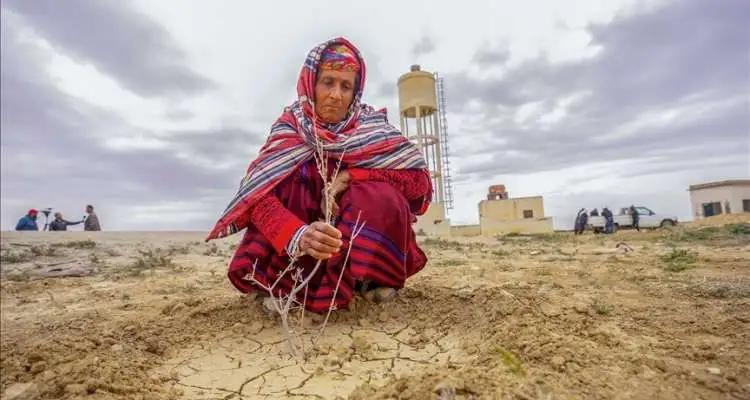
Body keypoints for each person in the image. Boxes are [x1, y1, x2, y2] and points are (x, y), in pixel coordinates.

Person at [207, 38, 431, 313]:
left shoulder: (372, 129)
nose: (336, 95)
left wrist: (351, 176)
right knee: (290, 180)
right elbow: (257, 198)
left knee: (379, 192)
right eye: (328, 82)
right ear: (311, 83)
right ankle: (285, 284)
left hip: (349, 243)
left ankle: (368, 278)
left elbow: (417, 182)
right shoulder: (289, 130)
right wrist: (297, 234)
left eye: (345, 86)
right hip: (298, 251)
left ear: (355, 92)